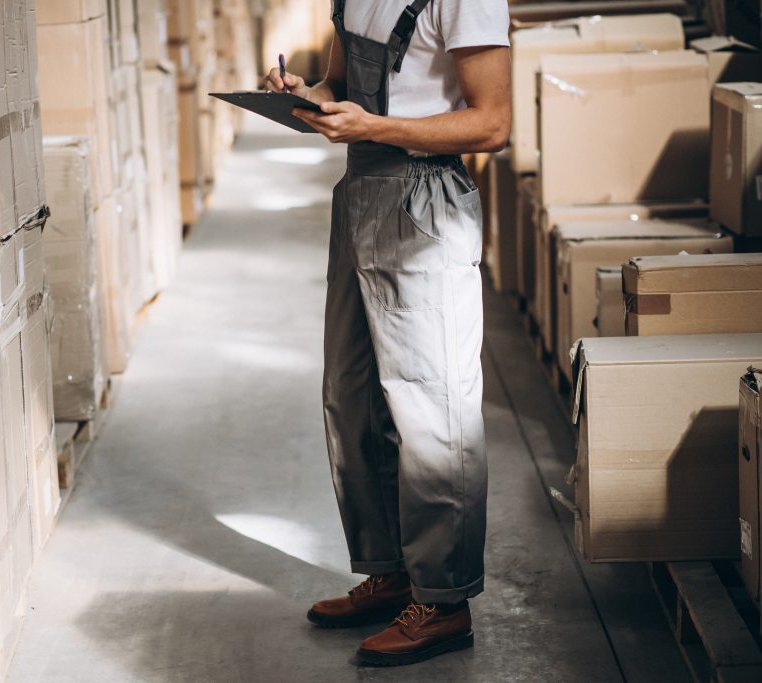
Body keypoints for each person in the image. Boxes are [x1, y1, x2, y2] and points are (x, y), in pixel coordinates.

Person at [264, 0, 511, 668]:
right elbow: (338, 84)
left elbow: (491, 122)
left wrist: (378, 125)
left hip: (425, 198)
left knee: (434, 410)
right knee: (353, 398)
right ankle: (394, 572)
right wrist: (305, 97)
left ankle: (443, 598)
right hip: (361, 193)